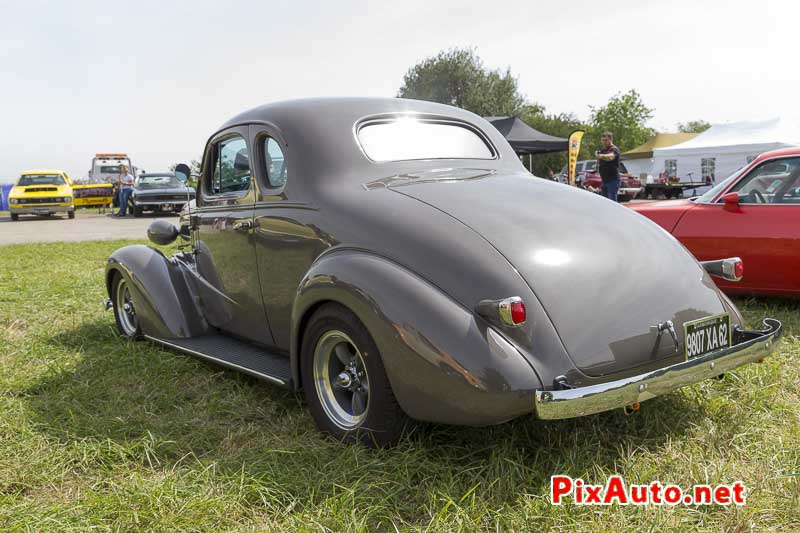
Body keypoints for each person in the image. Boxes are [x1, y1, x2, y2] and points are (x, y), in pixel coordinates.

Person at [595, 132, 621, 202]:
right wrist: (597, 162)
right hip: (604, 180)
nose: (604, 142)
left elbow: (611, 157)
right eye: (603, 140)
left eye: (606, 140)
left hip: (613, 180)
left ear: (611, 139)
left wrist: (601, 156)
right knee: (604, 202)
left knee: (612, 202)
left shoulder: (614, 149)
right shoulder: (602, 150)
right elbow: (598, 164)